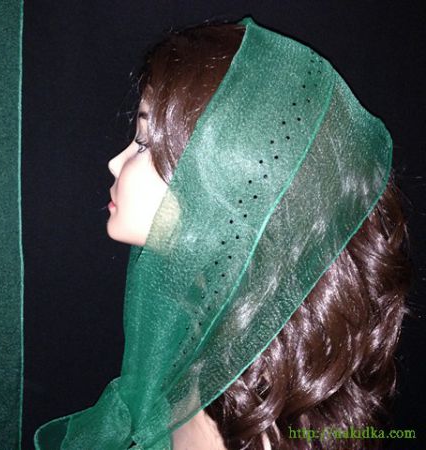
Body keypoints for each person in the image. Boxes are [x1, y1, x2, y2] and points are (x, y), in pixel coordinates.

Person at [36, 17, 412, 450]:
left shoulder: (244, 415)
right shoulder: (198, 339)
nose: (115, 163)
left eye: (144, 143)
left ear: (222, 183)